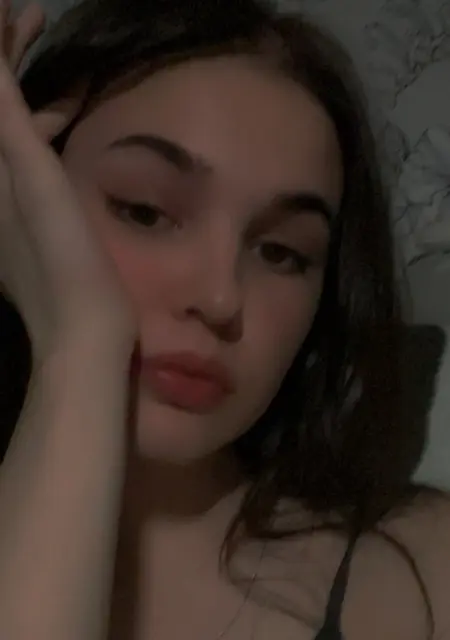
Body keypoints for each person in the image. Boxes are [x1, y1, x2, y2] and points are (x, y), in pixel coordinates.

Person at [0, 0, 449, 638]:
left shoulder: (421, 573)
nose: (219, 299)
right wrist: (80, 348)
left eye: (282, 253)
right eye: (144, 211)